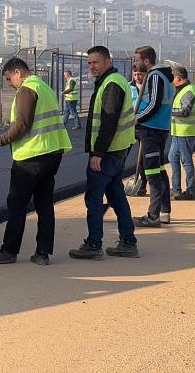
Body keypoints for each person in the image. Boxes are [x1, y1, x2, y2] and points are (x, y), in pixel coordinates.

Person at [0, 57, 72, 265]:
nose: (10, 84)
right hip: (52, 153)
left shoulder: (26, 89)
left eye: (9, 79)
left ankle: (9, 250)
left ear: (18, 72)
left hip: (31, 157)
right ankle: (42, 253)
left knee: (16, 203)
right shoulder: (44, 87)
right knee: (44, 204)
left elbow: (22, 125)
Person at [69, 46, 139, 260]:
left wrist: (98, 153)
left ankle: (94, 244)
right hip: (118, 150)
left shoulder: (111, 85)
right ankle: (128, 242)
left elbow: (109, 121)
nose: (91, 67)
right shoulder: (114, 81)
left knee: (94, 197)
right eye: (89, 63)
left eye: (95, 62)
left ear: (108, 61)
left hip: (108, 152)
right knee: (116, 196)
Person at [132, 46, 174, 227]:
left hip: (151, 130)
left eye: (137, 60)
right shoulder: (162, 76)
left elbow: (154, 104)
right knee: (159, 169)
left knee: (151, 173)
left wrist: (137, 119)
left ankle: (153, 215)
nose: (135, 63)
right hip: (157, 128)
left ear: (147, 61)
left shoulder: (155, 77)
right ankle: (164, 212)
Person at [169, 66, 195, 200]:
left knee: (186, 160)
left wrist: (168, 111)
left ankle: (190, 191)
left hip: (186, 131)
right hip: (179, 131)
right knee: (172, 157)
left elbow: (184, 112)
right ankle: (176, 189)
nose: (172, 81)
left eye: (173, 78)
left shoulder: (188, 91)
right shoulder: (187, 89)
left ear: (178, 79)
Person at [129, 65, 148, 197]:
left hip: (144, 124)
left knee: (143, 158)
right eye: (135, 74)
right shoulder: (128, 87)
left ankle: (142, 185)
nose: (137, 77)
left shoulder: (150, 88)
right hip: (130, 125)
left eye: (140, 74)